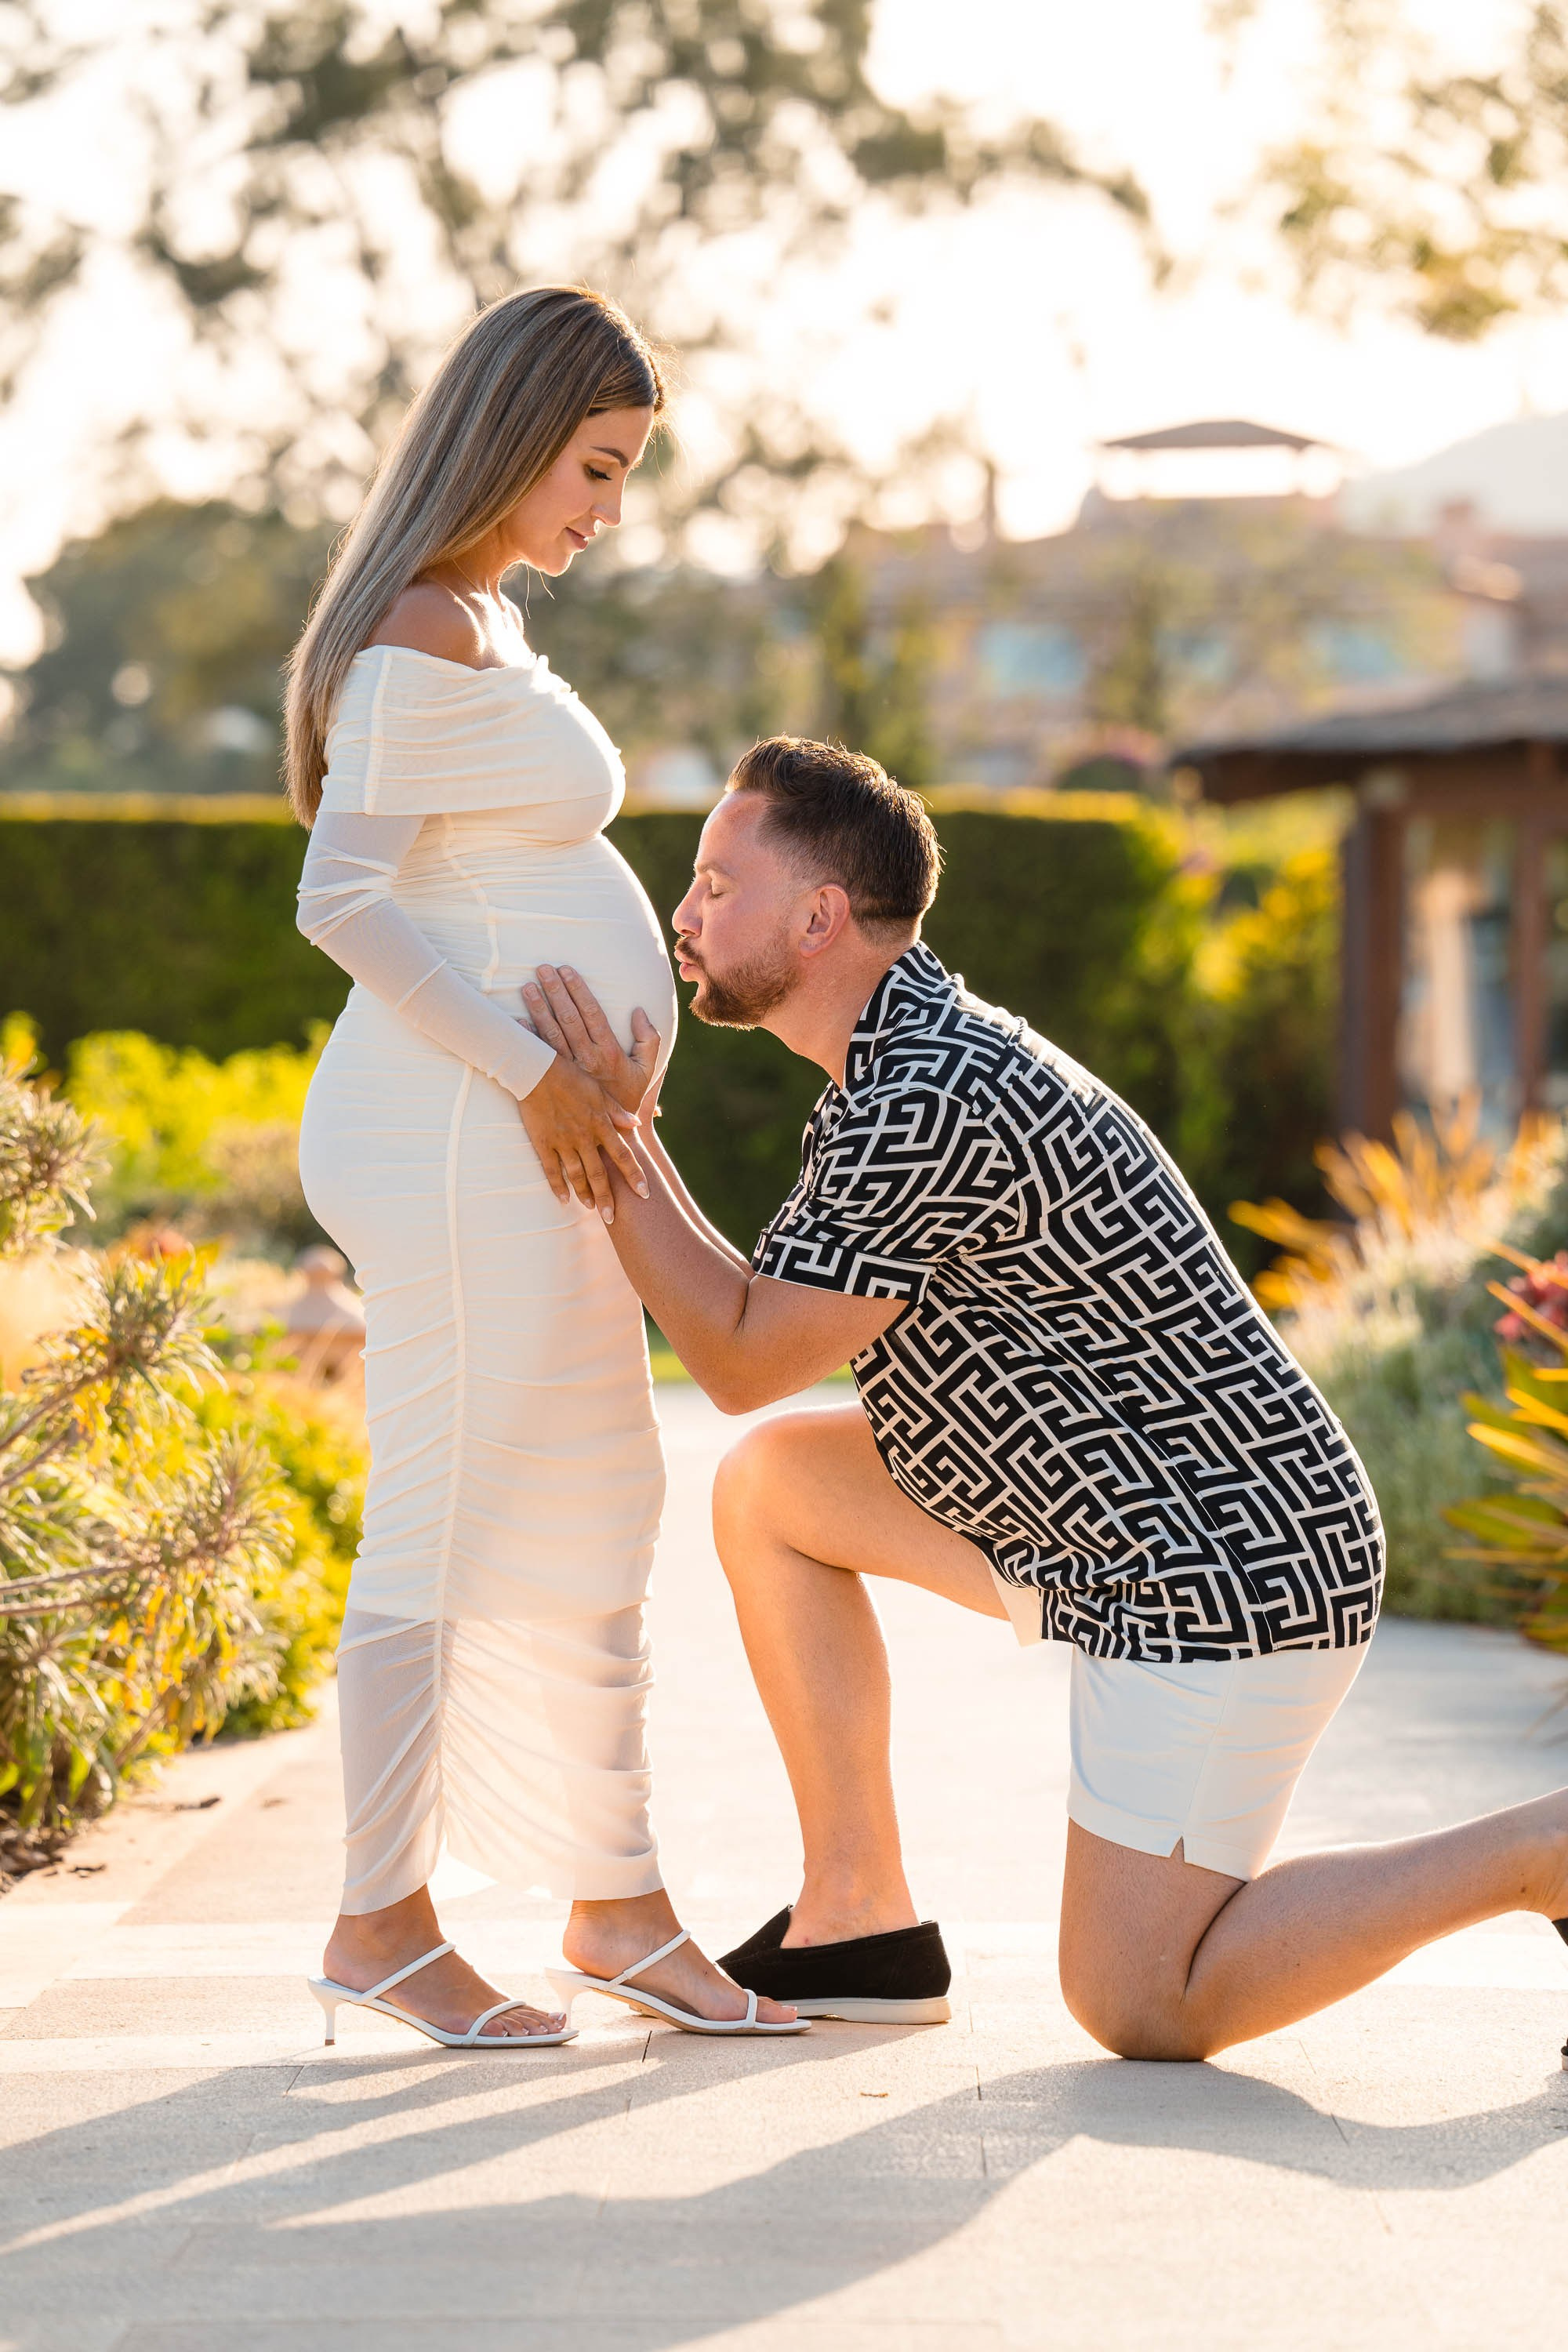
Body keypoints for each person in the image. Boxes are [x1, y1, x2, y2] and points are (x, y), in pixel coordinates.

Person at [521, 732, 1568, 2060]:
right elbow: (754, 1326)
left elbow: (735, 1358)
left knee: (1142, 2003)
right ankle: (858, 1922)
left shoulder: (926, 1095)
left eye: (718, 886)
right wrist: (619, 1132)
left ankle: (1542, 1852)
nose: (683, 914)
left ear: (820, 917)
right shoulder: (895, 1065)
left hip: (1220, 1568)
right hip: (1106, 1526)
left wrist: (605, 1131)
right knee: (777, 1491)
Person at [288, 288, 800, 2047]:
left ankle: (618, 1902)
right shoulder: (419, 630)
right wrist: (534, 1078)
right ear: (510, 438)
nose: (608, 507)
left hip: (528, 1132)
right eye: (594, 465)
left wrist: (580, 1084)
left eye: (627, 471)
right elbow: (341, 899)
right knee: (440, 1512)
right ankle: (380, 1922)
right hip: (457, 1132)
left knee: (598, 1491)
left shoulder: (484, 619)